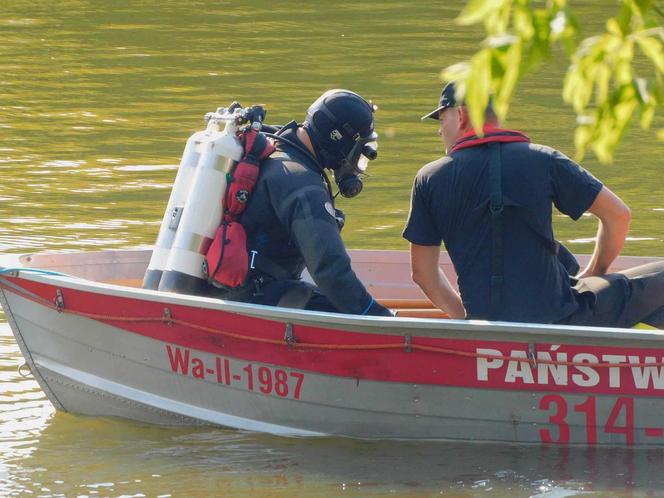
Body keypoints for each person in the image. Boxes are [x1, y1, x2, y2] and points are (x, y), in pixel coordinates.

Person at [402, 81, 664, 328]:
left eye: (442, 118)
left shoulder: (428, 178)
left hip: (484, 323)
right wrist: (596, 272)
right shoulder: (544, 159)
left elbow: (423, 273)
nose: (439, 129)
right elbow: (618, 216)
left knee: (562, 258)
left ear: (460, 115)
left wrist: (467, 321)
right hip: (561, 319)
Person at [224, 89, 392, 316]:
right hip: (253, 299)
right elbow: (330, 270)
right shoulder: (302, 183)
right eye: (358, 151)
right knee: (341, 307)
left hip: (227, 288)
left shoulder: (275, 149)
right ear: (339, 140)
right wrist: (378, 317)